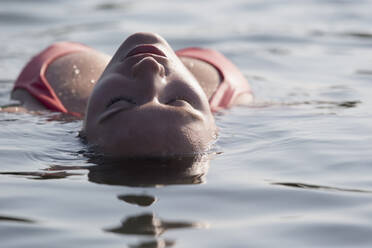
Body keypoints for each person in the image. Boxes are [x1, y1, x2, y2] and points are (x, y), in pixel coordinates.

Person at [2, 32, 253, 158]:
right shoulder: (228, 98)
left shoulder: (42, 104)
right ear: (216, 129)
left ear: (81, 131)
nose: (150, 67)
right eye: (178, 101)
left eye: (119, 103)